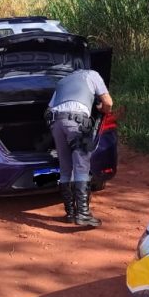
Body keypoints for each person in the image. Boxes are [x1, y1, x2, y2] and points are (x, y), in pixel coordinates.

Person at [47, 64, 113, 227]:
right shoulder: (92, 75)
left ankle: (70, 213)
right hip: (77, 122)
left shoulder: (62, 81)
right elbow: (108, 102)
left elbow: (48, 110)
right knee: (81, 166)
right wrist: (101, 109)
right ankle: (83, 214)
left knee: (65, 168)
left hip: (56, 123)